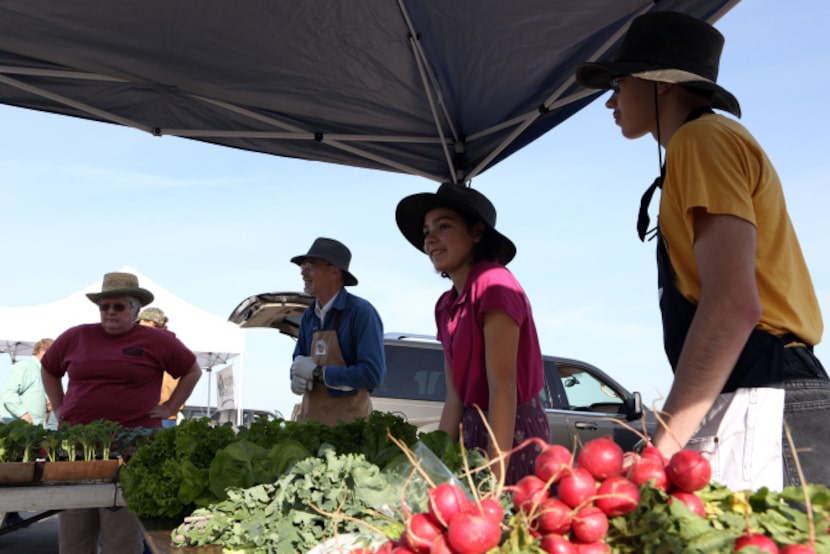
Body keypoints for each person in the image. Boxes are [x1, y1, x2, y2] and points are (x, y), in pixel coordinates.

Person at [575, 11, 830, 491]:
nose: (610, 101)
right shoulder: (708, 141)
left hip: (762, 387)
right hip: (773, 386)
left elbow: (733, 305)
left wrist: (663, 444)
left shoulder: (701, 139)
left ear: (661, 82)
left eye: (618, 82)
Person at [395, 183, 549, 485]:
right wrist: (432, 466)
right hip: (472, 430)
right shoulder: (446, 304)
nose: (430, 239)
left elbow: (503, 387)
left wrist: (495, 476)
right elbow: (454, 398)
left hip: (510, 433)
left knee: (505, 519)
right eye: (427, 231)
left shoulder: (494, 284)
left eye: (444, 227)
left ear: (476, 234)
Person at [41, 271, 202, 554]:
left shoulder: (156, 340)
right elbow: (49, 370)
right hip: (77, 451)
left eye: (119, 307)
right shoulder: (76, 336)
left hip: (132, 453)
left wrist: (170, 408)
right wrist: (61, 406)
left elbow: (191, 370)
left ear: (136, 309)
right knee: (74, 539)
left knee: (122, 541)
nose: (110, 313)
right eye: (105, 307)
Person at [289, 237, 386, 426]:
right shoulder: (309, 315)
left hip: (348, 430)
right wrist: (295, 378)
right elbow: (298, 362)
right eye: (303, 266)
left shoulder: (361, 313)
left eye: (310, 265)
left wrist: (319, 373)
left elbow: (372, 375)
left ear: (334, 271)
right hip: (310, 426)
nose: (303, 272)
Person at [137, 306, 182, 428]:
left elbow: (176, 382)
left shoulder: (164, 346)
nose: (137, 327)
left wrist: (168, 407)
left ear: (150, 323)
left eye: (140, 322)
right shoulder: (163, 344)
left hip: (160, 415)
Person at [0, 337, 53, 425]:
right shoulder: (25, 366)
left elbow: (31, 395)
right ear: (42, 351)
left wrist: (45, 406)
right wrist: (23, 414)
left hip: (33, 428)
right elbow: (8, 394)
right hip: (18, 428)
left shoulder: (39, 370)